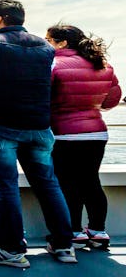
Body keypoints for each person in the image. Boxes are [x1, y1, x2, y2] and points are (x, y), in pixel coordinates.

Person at [0, 0, 76, 267]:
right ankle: (64, 245)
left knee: (4, 187)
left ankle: (11, 249)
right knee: (48, 184)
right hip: (39, 128)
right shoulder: (45, 48)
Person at [46, 24, 122, 249]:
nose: (45, 44)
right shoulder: (103, 65)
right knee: (91, 182)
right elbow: (110, 101)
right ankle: (98, 231)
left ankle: (75, 232)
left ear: (62, 43)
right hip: (97, 133)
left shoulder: (52, 65)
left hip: (64, 134)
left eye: (48, 40)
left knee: (67, 184)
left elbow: (43, 98)